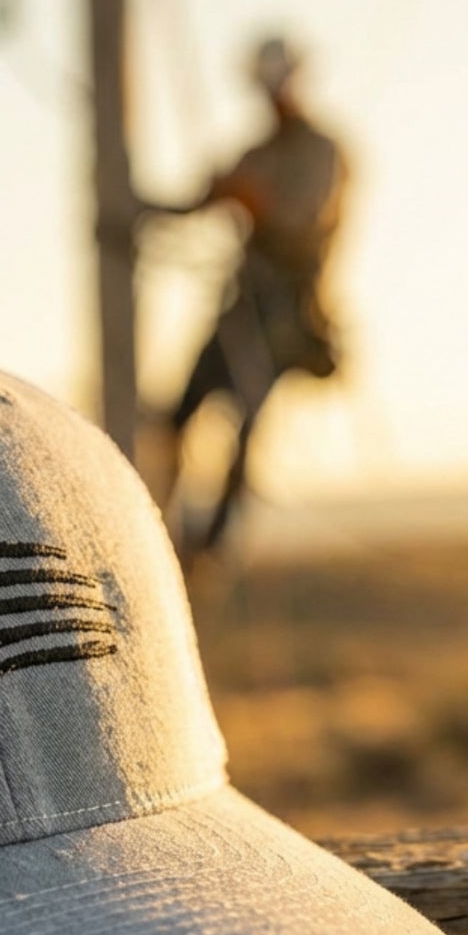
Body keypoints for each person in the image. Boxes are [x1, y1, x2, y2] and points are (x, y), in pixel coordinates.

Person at [140, 35, 349, 553]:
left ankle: (212, 544)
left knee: (246, 422)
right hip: (241, 308)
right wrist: (143, 211)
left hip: (287, 314)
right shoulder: (257, 153)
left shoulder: (323, 151)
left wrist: (255, 202)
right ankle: (166, 532)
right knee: (180, 414)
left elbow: (304, 224)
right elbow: (201, 199)